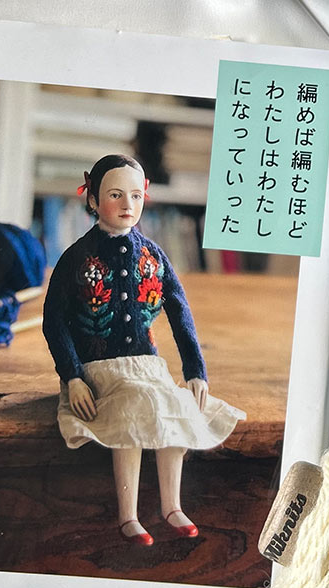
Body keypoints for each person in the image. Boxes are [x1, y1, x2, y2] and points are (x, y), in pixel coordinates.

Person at [42, 153, 244, 546]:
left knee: (176, 404)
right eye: (115, 195)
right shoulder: (77, 258)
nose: (127, 205)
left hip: (148, 367)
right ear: (93, 199)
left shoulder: (153, 254)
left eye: (136, 195)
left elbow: (179, 310)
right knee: (132, 410)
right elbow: (54, 322)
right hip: (99, 368)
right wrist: (73, 377)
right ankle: (129, 516)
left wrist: (195, 370)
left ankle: (172, 506)